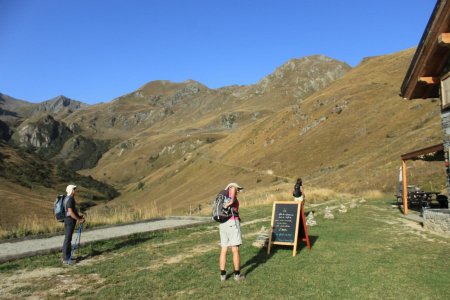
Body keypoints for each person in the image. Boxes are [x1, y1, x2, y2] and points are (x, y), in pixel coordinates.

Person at [219, 182, 245, 282]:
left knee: (224, 249)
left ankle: (223, 275)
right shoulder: (232, 189)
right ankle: (237, 275)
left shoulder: (223, 196)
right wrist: (230, 203)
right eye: (238, 189)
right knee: (235, 249)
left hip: (223, 224)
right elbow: (233, 191)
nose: (238, 191)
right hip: (232, 223)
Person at [62, 184, 85, 264]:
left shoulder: (66, 198)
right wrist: (79, 219)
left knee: (68, 238)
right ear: (71, 191)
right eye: (74, 189)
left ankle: (67, 256)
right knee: (68, 239)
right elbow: (71, 212)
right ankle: (66, 259)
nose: (75, 191)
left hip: (67, 220)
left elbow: (71, 211)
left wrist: (78, 216)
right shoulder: (70, 199)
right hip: (70, 221)